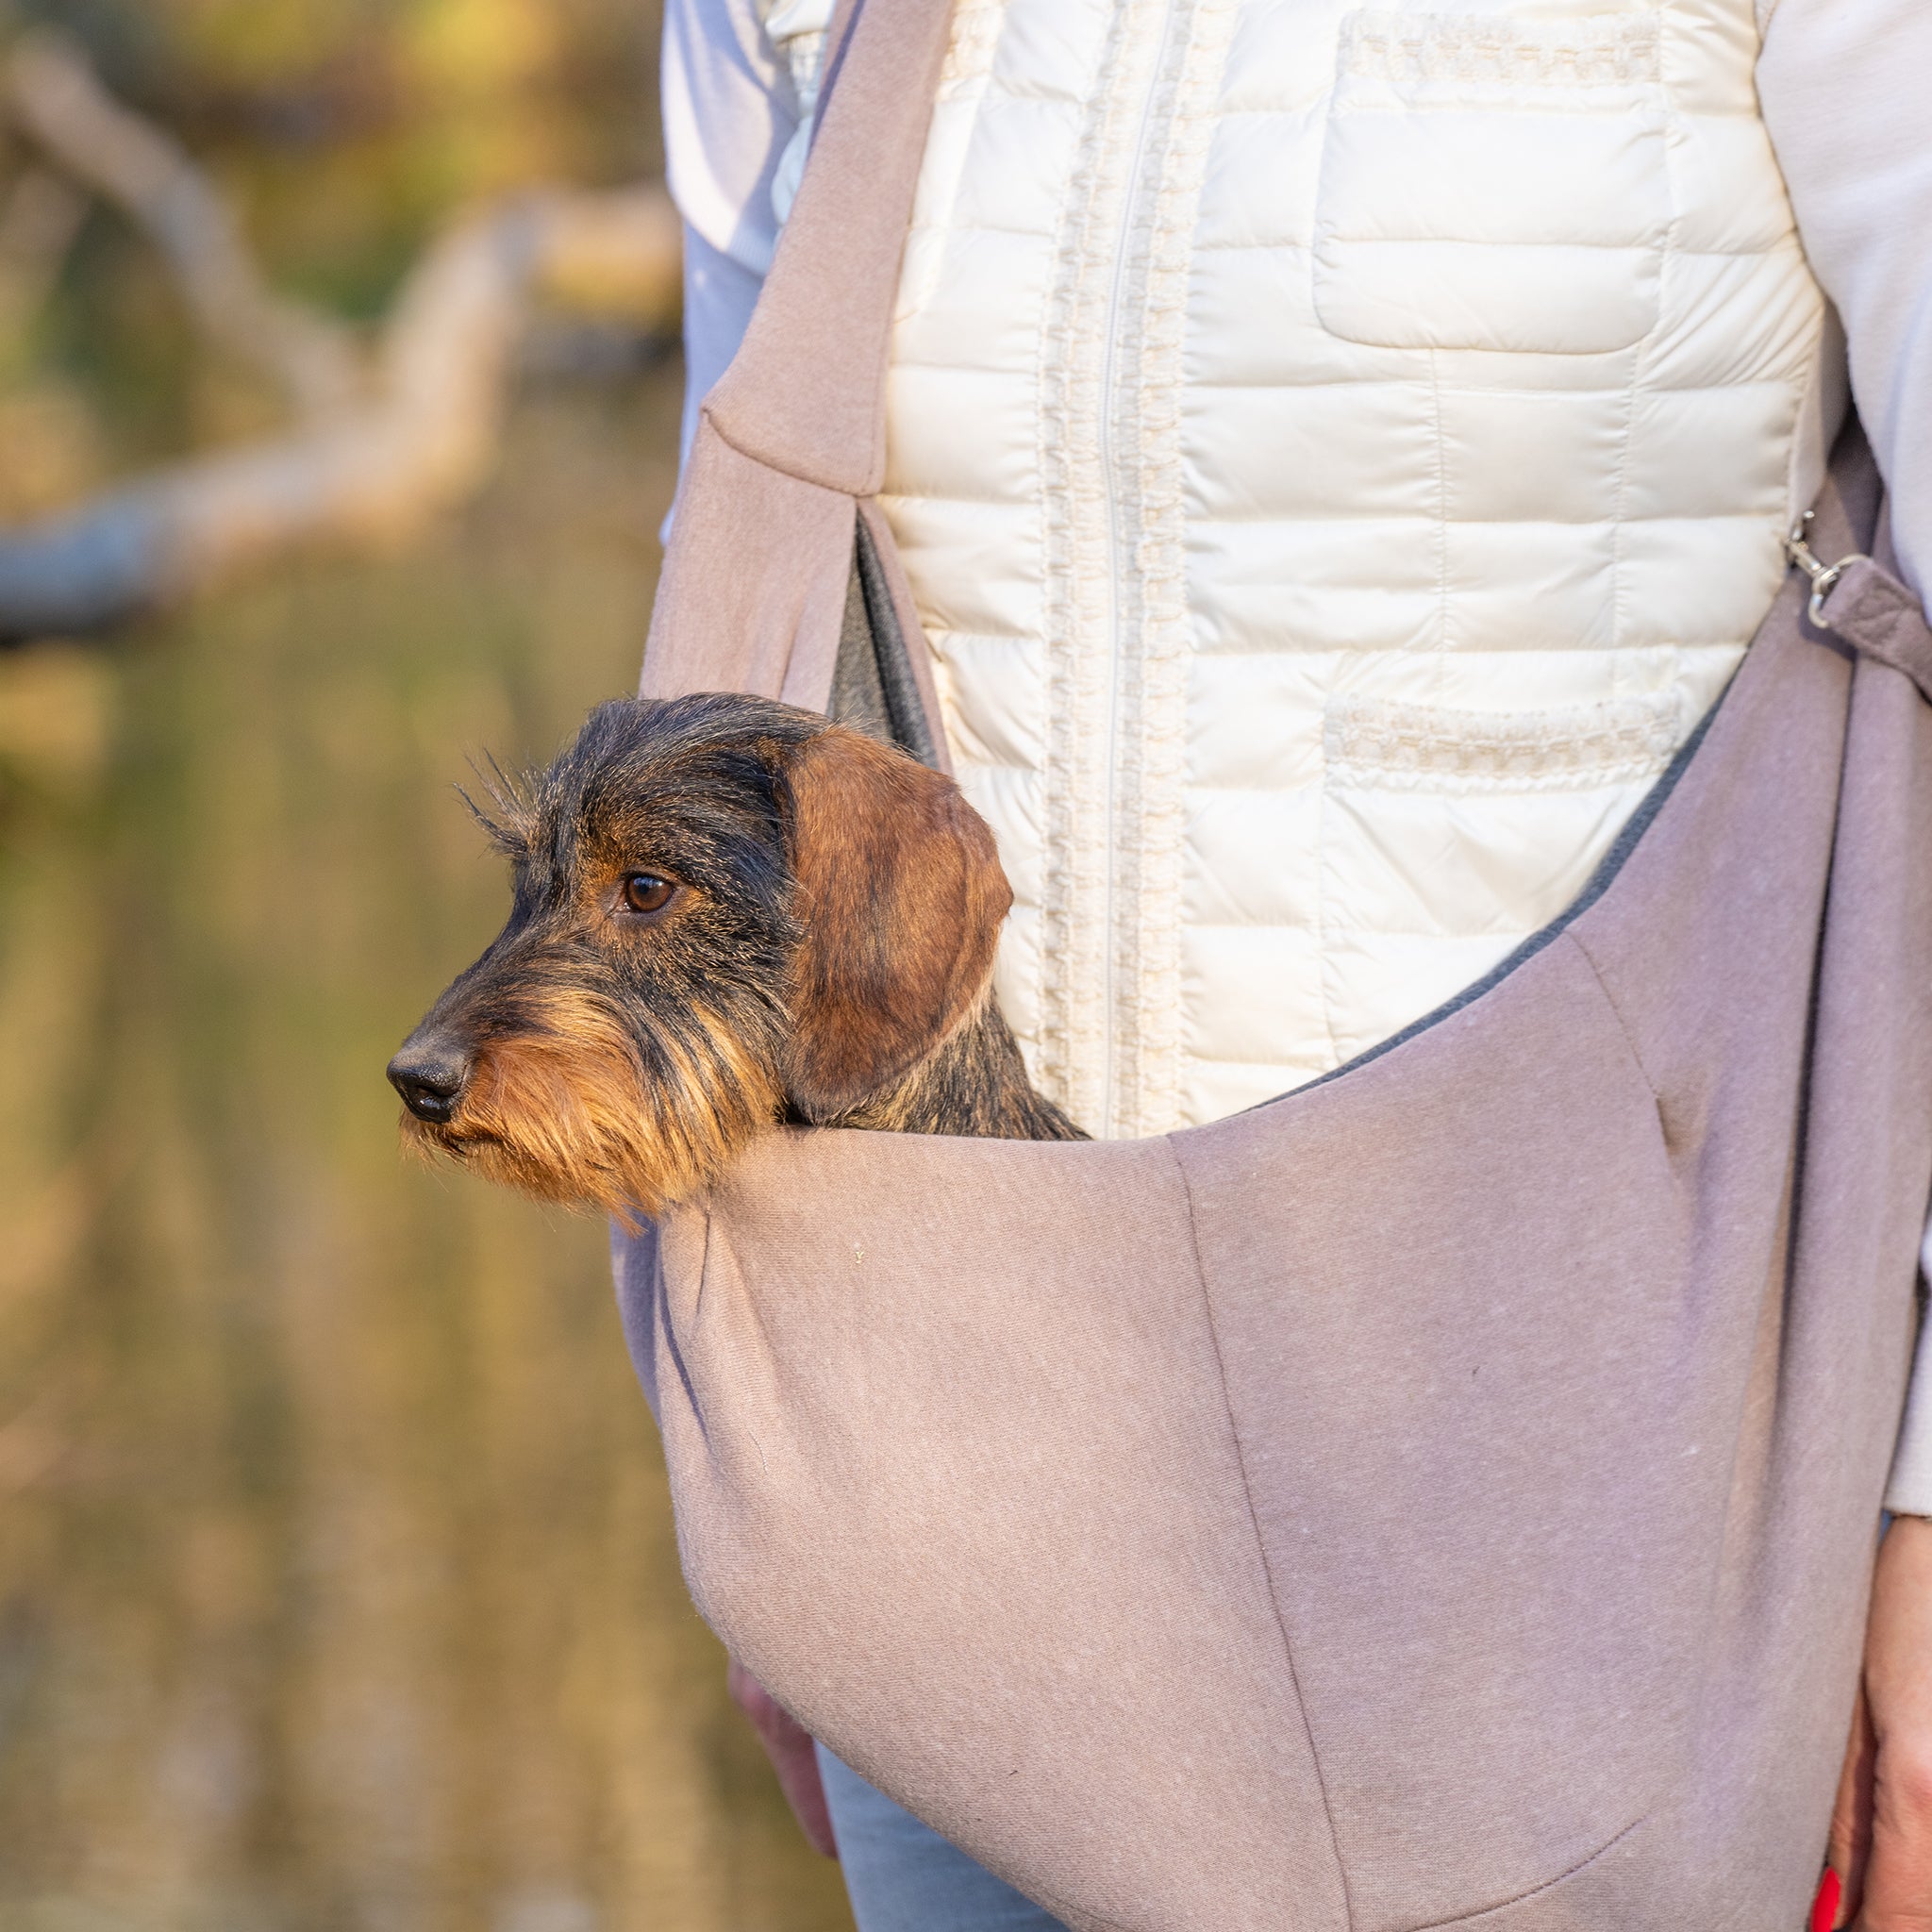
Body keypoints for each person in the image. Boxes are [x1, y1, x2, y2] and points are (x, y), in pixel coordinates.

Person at [659, 1, 1932, 1924]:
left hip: (1605, 1486)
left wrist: (1924, 1490)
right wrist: (755, 1426)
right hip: (956, 1462)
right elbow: (746, 653)